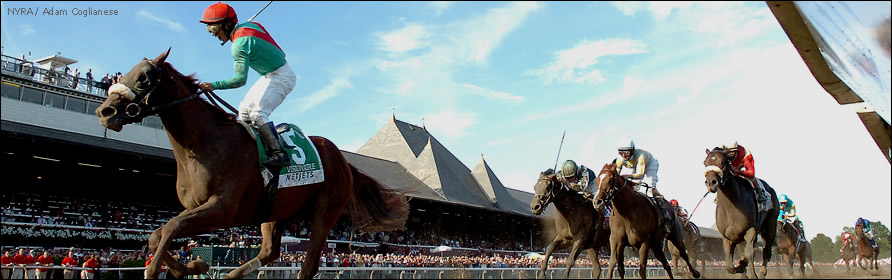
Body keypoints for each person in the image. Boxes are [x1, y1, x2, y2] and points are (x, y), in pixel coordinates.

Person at [198, 2, 297, 169]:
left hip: (282, 76)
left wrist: (213, 85)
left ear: (227, 24)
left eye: (215, 30)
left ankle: (279, 154)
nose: (214, 35)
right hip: (269, 75)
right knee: (243, 109)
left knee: (258, 113)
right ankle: (251, 149)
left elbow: (240, 80)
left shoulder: (239, 45)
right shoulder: (251, 26)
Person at [613, 137, 670, 233]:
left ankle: (665, 215)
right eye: (621, 153)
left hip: (650, 164)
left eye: (626, 153)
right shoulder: (620, 159)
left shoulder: (640, 156)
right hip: (635, 166)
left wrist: (628, 175)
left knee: (649, 189)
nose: (624, 155)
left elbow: (640, 174)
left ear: (632, 150)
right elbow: (616, 174)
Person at [722, 140, 770, 211]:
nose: (729, 156)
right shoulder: (723, 153)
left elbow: (751, 173)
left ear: (736, 151)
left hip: (742, 164)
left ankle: (759, 193)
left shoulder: (746, 155)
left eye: (731, 153)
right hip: (732, 167)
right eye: (727, 153)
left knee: (751, 178)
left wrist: (738, 171)